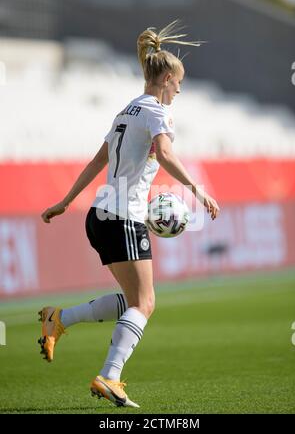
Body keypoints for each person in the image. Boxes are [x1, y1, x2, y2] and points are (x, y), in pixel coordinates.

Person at [39, 20, 220, 408]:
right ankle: (110, 376)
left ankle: (60, 319)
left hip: (101, 214)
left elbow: (97, 159)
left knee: (133, 300)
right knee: (145, 304)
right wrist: (196, 189)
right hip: (123, 217)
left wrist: (67, 201)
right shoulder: (157, 112)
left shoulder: (125, 111)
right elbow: (166, 153)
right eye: (179, 84)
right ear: (168, 78)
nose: (179, 91)